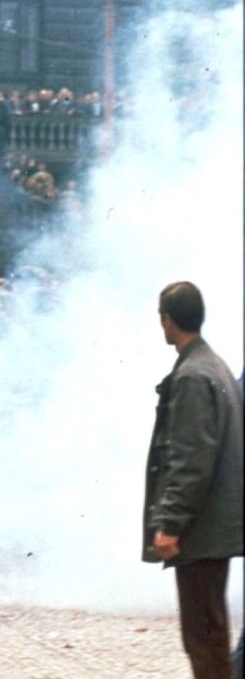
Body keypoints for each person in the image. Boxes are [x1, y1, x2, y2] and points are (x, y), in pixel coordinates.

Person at [143, 281, 243, 679]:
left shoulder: (192, 375)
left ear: (168, 320)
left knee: (203, 639)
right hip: (214, 526)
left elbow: (190, 460)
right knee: (210, 635)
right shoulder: (214, 366)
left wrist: (170, 524)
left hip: (200, 531)